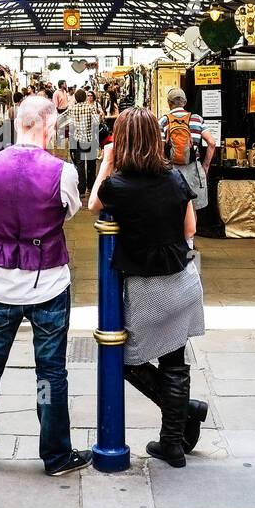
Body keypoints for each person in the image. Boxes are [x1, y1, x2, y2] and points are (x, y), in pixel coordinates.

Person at [0, 95, 92, 475]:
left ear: (16, 122)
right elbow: (69, 212)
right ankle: (55, 455)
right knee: (50, 371)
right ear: (48, 126)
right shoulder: (62, 171)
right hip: (48, 284)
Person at [89, 107, 210, 468]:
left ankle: (185, 410)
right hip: (183, 282)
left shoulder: (118, 186)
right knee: (175, 359)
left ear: (122, 142)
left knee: (123, 360)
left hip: (145, 289)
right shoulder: (174, 178)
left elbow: (93, 203)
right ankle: (172, 443)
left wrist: (107, 160)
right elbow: (190, 230)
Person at [158, 88, 217, 210]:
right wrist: (205, 166)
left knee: (173, 209)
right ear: (184, 102)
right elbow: (211, 143)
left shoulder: (163, 121)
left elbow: (159, 149)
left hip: (171, 171)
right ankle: (192, 229)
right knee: (192, 208)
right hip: (193, 168)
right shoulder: (197, 119)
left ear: (169, 102)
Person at [66, 87, 102, 196]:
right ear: (85, 97)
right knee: (91, 163)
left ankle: (81, 189)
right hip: (90, 139)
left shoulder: (72, 108)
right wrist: (99, 115)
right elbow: (96, 122)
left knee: (80, 164)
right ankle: (90, 186)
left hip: (78, 139)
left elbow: (62, 118)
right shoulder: (90, 108)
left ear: (76, 98)